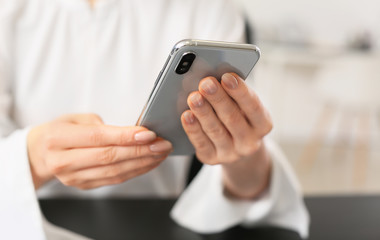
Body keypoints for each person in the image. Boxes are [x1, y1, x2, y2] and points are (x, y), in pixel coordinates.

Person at [0, 0, 309, 239]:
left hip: (159, 226)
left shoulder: (207, 8)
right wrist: (30, 158)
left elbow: (251, 186)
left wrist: (244, 157)